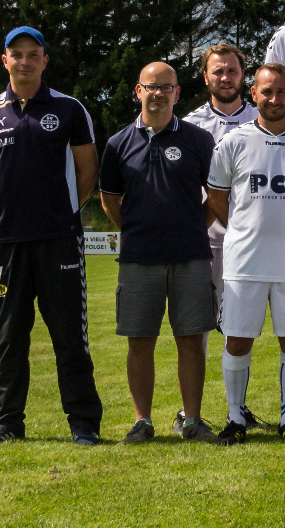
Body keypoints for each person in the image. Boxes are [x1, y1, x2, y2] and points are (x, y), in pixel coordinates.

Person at [0, 26, 103, 447]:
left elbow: (88, 172)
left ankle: (83, 423)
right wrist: (6, 216)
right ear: (4, 60)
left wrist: (62, 212)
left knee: (69, 337)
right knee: (10, 337)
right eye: (16, 54)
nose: (24, 61)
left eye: (33, 54)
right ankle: (8, 423)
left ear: (45, 60)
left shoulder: (69, 109)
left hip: (59, 239)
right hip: (6, 243)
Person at [206, 63, 285, 445]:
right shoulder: (233, 141)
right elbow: (217, 198)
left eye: (281, 92)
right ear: (254, 94)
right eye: (267, 92)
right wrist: (247, 229)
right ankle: (235, 419)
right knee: (238, 340)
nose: (274, 99)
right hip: (245, 261)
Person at [99, 62, 218, 443]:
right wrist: (137, 231)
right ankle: (142, 420)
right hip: (139, 259)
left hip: (191, 256)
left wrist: (191, 228)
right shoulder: (118, 144)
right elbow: (109, 200)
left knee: (190, 339)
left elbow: (215, 196)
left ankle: (193, 419)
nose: (159, 93)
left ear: (177, 93)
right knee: (140, 340)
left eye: (167, 87)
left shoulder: (199, 140)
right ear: (138, 91)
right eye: (151, 87)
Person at [180, 41, 264, 433]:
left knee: (240, 327)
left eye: (232, 70)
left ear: (242, 75)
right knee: (197, 325)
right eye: (218, 71)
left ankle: (238, 407)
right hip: (207, 240)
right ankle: (189, 411)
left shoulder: (264, 119)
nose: (226, 77)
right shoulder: (192, 124)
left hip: (251, 243)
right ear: (206, 77)